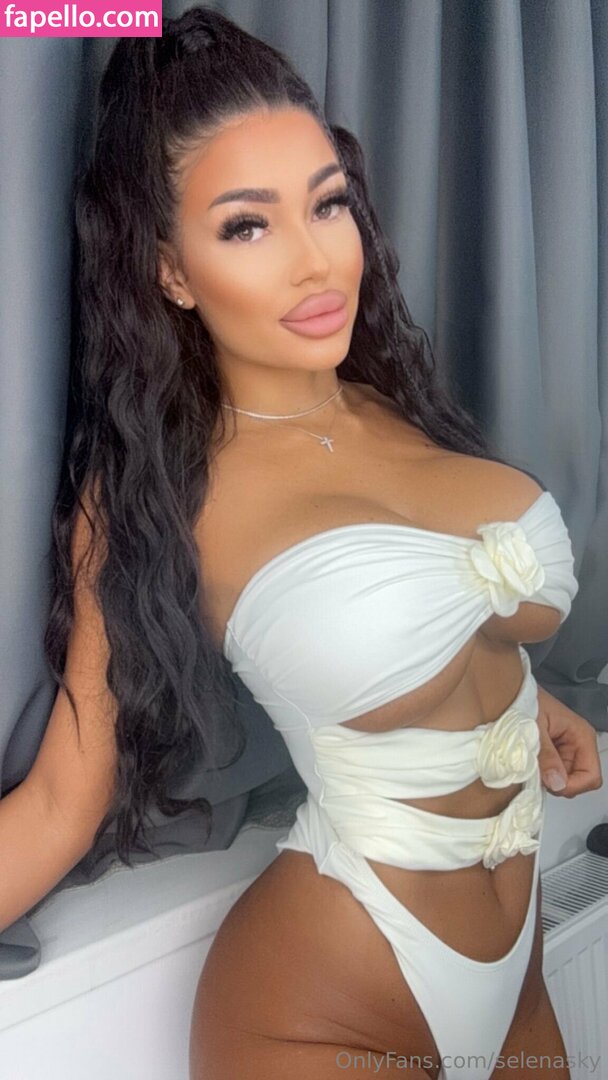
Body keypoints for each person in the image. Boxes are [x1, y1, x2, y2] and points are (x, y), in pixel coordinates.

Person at [0, 5, 601, 1078]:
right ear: (171, 272)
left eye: (327, 205)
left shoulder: (396, 404)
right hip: (317, 1008)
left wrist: (522, 699)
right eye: (247, 226)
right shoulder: (151, 490)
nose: (317, 262)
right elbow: (58, 803)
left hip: (516, 991)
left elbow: (429, 620)